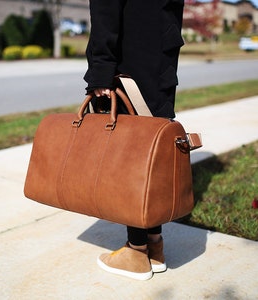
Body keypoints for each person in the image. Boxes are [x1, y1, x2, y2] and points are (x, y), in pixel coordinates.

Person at [84, 0, 185, 280]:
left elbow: (106, 9)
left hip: (128, 63)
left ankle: (137, 252)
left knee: (128, 159)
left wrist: (101, 69)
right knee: (152, 158)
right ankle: (154, 246)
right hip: (161, 60)